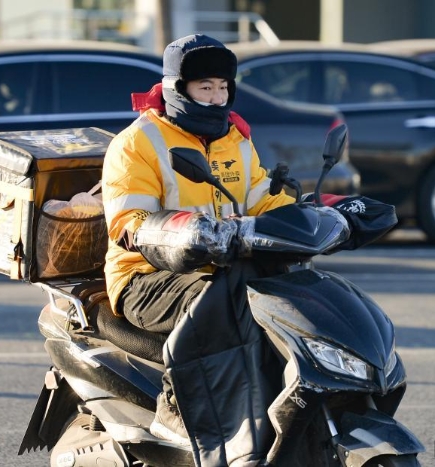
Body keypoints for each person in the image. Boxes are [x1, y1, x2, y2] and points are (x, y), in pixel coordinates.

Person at [102, 34, 351, 465]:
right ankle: (179, 408)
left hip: (226, 266)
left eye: (222, 87)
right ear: (178, 89)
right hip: (145, 277)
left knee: (294, 294)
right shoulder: (138, 142)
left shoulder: (234, 138)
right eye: (205, 88)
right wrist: (189, 232)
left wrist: (316, 213)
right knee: (231, 300)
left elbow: (261, 198)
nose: (216, 98)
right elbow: (129, 223)